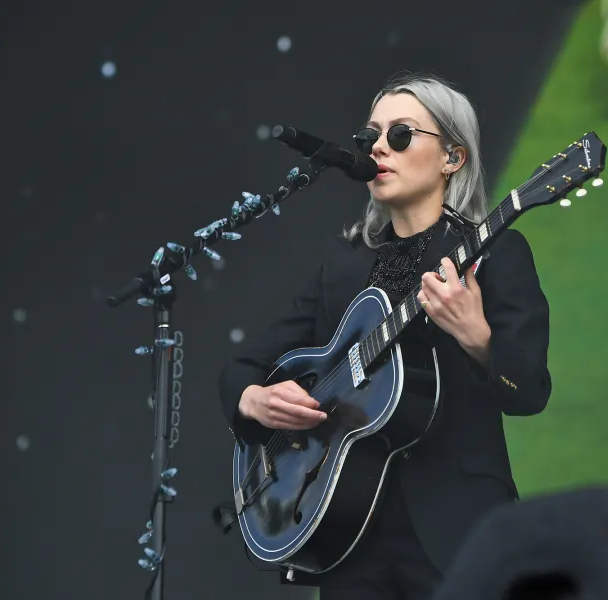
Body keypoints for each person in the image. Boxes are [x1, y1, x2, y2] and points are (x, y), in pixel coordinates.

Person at [218, 72, 552, 600]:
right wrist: (253, 399)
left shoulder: (496, 254)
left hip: (457, 532)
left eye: (400, 135)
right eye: (370, 136)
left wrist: (476, 335)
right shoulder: (344, 265)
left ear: (452, 158)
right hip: (349, 530)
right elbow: (247, 365)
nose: (377, 147)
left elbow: (529, 390)